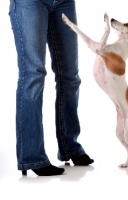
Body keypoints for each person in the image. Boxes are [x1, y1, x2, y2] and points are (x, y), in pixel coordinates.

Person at [9, 0, 94, 176]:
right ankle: (33, 157)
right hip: (29, 3)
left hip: (64, 2)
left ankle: (70, 147)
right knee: (33, 74)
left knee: (70, 76)